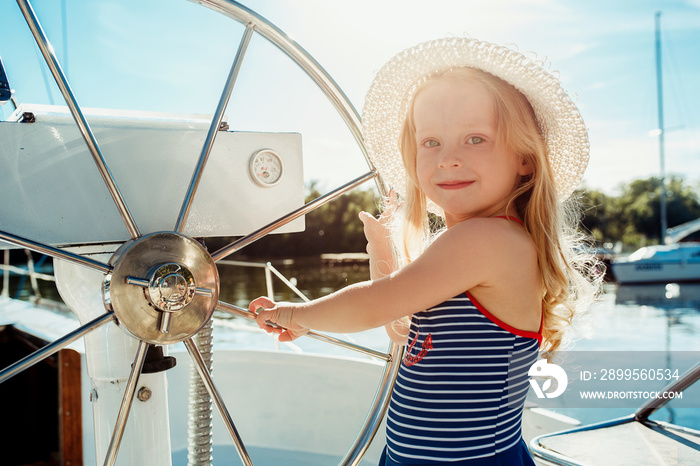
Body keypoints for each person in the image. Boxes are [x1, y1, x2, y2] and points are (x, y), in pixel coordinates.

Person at [250, 37, 600, 465]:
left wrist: (296, 316)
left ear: (525, 157)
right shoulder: (478, 244)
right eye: (431, 142)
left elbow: (376, 306)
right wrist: (381, 249)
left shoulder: (486, 241)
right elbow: (402, 330)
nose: (448, 158)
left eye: (475, 139)